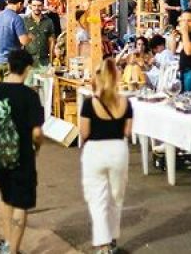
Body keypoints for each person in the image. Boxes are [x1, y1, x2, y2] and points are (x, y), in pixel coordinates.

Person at [0, 50, 44, 254]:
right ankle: (14, 249)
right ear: (27, 69)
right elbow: (36, 132)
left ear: (8, 66)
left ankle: (7, 242)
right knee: (21, 202)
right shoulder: (29, 96)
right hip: (22, 155)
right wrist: (38, 147)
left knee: (6, 196)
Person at [80, 58, 133, 254]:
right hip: (118, 150)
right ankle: (112, 239)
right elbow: (128, 132)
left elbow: (84, 133)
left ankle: (103, 245)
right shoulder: (125, 102)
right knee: (115, 197)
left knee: (98, 199)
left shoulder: (89, 104)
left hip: (95, 151)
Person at [0, 0, 31, 80]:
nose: (21, 9)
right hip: (12, 61)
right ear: (20, 4)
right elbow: (23, 41)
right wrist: (30, 37)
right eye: (22, 6)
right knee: (11, 89)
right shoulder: (16, 18)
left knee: (2, 88)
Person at [24, 0, 56, 67]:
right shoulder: (24, 21)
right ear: (30, 6)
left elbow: (52, 42)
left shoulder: (48, 21)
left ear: (43, 6)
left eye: (39, 5)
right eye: (34, 5)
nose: (36, 8)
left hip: (44, 62)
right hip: (29, 63)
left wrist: (50, 62)